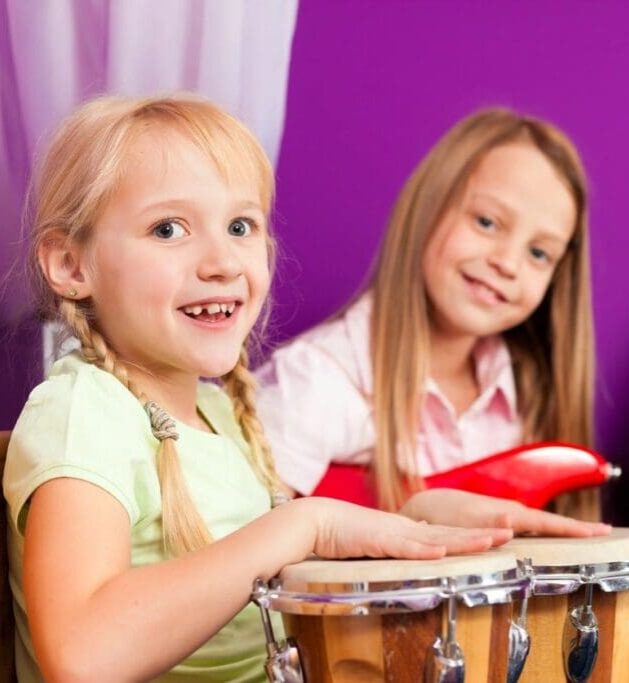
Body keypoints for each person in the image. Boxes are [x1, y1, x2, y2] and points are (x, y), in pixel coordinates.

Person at [3, 94, 516, 682]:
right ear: (71, 265)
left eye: (241, 226)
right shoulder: (83, 412)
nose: (222, 260)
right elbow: (83, 655)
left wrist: (411, 519)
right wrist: (301, 526)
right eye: (168, 229)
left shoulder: (216, 413)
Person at [256, 108, 604, 522]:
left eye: (539, 253)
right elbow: (239, 550)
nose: (508, 263)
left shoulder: (530, 403)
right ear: (428, 206)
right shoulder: (317, 381)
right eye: (488, 222)